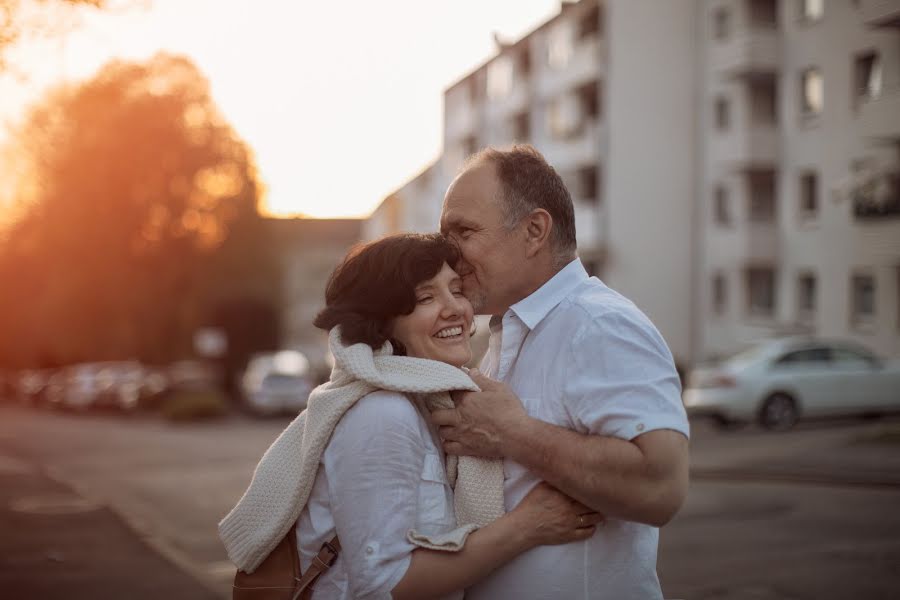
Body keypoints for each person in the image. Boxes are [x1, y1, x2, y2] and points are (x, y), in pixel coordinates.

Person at [219, 233, 603, 600]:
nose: (455, 308)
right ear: (382, 321)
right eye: (425, 297)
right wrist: (525, 527)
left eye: (456, 289)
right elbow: (383, 586)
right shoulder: (382, 413)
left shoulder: (429, 406)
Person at [434, 145, 691, 599]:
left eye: (464, 231)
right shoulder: (506, 333)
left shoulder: (598, 325)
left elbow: (661, 486)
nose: (446, 253)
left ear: (534, 230)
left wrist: (512, 433)